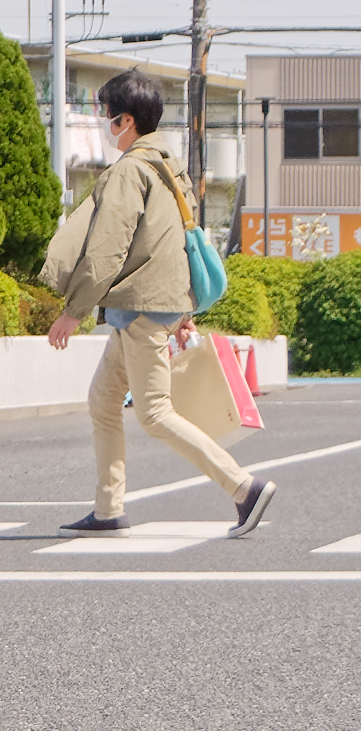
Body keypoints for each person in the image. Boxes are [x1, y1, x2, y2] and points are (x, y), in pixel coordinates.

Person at [44, 69, 273, 539]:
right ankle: (108, 509)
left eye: (107, 115)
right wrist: (181, 311)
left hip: (141, 309)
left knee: (154, 412)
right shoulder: (170, 166)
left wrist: (73, 311)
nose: (105, 124)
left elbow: (108, 248)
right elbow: (173, 243)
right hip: (150, 305)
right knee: (104, 400)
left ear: (126, 121)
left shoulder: (130, 171)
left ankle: (243, 487)